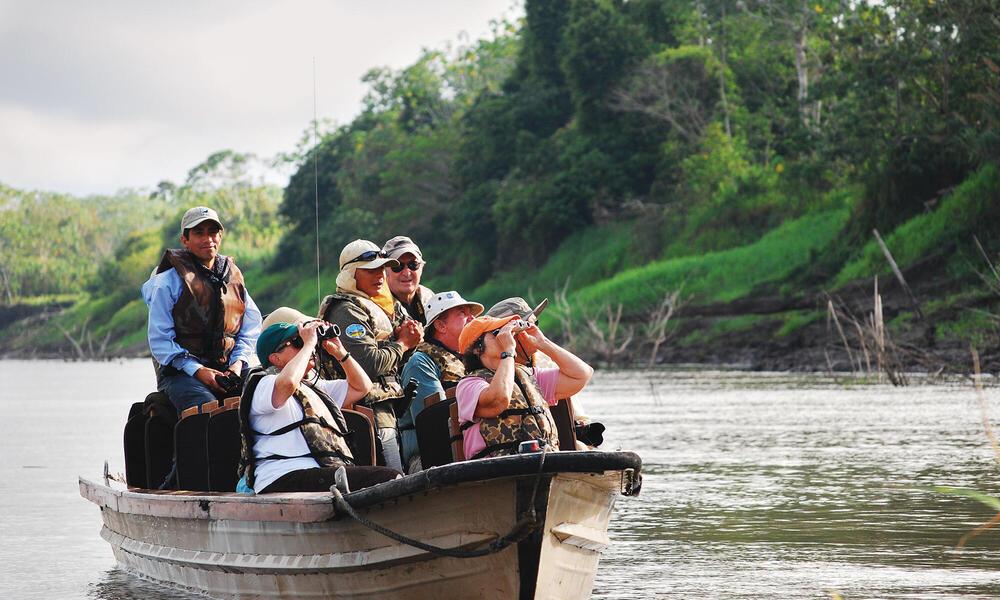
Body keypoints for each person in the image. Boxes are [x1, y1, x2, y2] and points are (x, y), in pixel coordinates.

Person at [241, 319, 400, 494]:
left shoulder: (313, 389)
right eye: (296, 342)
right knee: (389, 478)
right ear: (275, 358)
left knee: (392, 479)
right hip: (282, 476)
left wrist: (340, 353)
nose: (307, 346)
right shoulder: (263, 385)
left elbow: (361, 387)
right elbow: (287, 383)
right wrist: (308, 344)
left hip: (317, 473)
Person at [141, 206, 262, 416]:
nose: (208, 239)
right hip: (181, 373)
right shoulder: (166, 284)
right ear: (185, 240)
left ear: (220, 236)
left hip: (229, 369)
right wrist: (199, 371)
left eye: (213, 232)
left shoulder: (233, 277)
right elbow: (160, 341)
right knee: (207, 409)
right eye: (199, 233)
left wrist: (237, 365)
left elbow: (251, 328)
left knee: (264, 391)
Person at [318, 239, 423, 473]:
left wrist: (409, 341)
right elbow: (369, 364)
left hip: (386, 411)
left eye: (381, 269)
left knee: (398, 475)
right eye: (371, 270)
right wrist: (403, 343)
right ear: (351, 274)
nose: (380, 276)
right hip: (364, 415)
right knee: (390, 477)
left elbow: (393, 363)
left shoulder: (378, 308)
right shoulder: (346, 310)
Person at [456, 316, 594, 460]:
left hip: (542, 459)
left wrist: (542, 343)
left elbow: (581, 375)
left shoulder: (528, 376)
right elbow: (499, 400)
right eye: (497, 333)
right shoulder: (468, 384)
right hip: (494, 469)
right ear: (477, 349)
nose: (506, 337)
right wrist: (508, 352)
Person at [398, 291, 483, 473]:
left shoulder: (472, 359)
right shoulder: (421, 362)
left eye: (471, 312)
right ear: (441, 325)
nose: (472, 318)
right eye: (462, 312)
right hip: (428, 458)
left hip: (469, 445)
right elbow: (435, 422)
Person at [382, 236, 433, 325]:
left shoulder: (430, 298)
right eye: (397, 267)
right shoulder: (376, 306)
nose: (406, 273)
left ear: (421, 268)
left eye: (413, 264)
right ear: (385, 271)